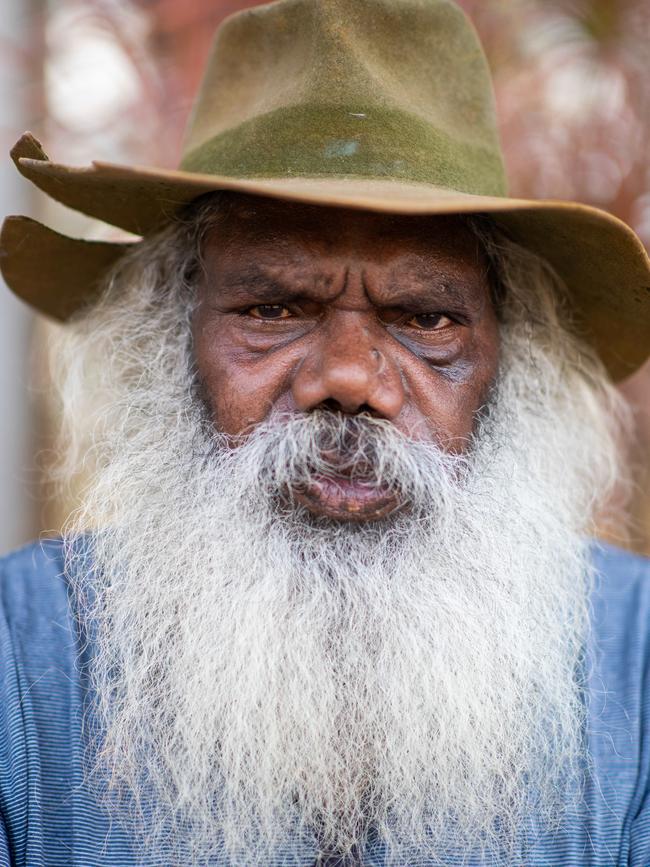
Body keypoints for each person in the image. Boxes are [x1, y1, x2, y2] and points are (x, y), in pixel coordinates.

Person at [1, 0, 650, 864]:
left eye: (424, 318)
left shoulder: (636, 668)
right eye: (273, 308)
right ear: (171, 339)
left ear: (511, 359)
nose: (347, 377)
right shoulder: (18, 656)